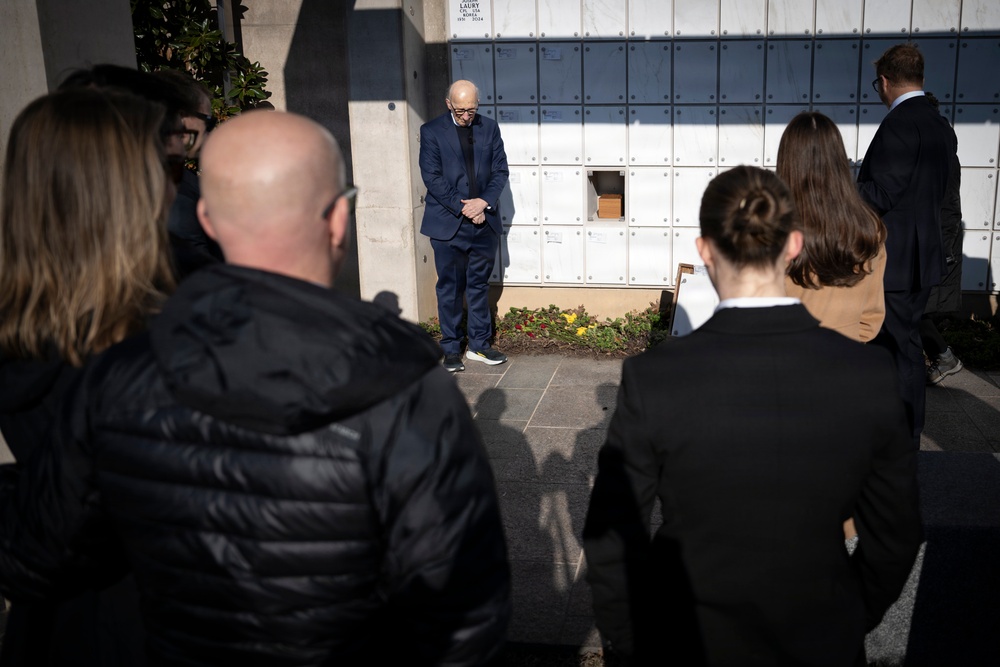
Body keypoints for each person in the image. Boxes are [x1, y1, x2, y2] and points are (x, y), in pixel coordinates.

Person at [0, 110, 511, 666]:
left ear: (207, 219)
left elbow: (34, 557)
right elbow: (463, 618)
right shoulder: (407, 389)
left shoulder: (118, 375)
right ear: (339, 219)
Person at [583, 166, 922, 666]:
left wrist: (631, 642)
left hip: (690, 639)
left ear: (705, 250)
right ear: (794, 246)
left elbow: (612, 534)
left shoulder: (654, 377)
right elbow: (896, 534)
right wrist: (848, 615)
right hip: (820, 638)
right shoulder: (867, 374)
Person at [0, 88, 177, 666]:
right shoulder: (147, 352)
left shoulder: (25, 328)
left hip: (54, 632)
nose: (174, 189)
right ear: (125, 196)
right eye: (165, 169)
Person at [857, 43, 957, 444]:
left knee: (897, 348)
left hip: (896, 259)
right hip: (922, 255)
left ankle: (901, 434)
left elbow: (882, 193)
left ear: (884, 82)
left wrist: (838, 191)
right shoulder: (938, 123)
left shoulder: (899, 123)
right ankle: (905, 431)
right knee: (907, 344)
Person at [419, 79, 509, 372]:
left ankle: (480, 345)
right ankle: (451, 348)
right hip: (449, 225)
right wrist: (467, 208)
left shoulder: (489, 128)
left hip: (484, 222)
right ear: (449, 104)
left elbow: (500, 171)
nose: (467, 116)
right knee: (450, 287)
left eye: (471, 109)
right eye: (460, 111)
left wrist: (483, 202)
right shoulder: (431, 131)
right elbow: (432, 178)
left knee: (479, 285)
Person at [779, 111, 887, 343]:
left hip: (784, 354)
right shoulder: (868, 227)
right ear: (838, 159)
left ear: (786, 160)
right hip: (846, 353)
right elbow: (871, 317)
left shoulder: (770, 227)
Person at [154, 68, 225, 277]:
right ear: (181, 119)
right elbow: (201, 277)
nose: (210, 130)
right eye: (208, 120)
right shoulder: (175, 193)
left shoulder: (174, 177)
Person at [920, 93, 965, 385]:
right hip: (932, 238)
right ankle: (942, 356)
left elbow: (947, 205)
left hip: (934, 239)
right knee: (911, 305)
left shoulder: (939, 149)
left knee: (912, 305)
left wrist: (944, 248)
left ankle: (943, 356)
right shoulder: (941, 146)